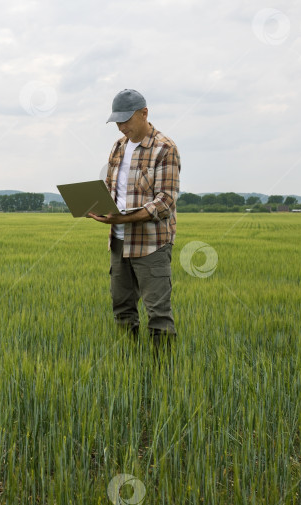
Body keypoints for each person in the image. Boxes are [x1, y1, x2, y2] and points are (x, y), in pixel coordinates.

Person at [87, 89, 180, 358]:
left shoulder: (165, 148)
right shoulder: (118, 146)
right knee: (122, 309)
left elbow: (165, 202)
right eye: (117, 121)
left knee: (158, 314)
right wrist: (97, 207)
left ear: (144, 113)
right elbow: (109, 188)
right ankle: (128, 365)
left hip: (151, 245)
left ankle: (163, 373)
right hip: (118, 242)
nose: (121, 126)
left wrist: (124, 218)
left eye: (126, 120)